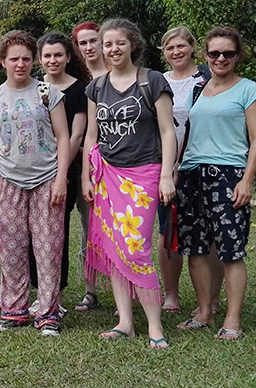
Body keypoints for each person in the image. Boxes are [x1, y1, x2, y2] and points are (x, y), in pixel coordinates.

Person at [81, 18, 174, 349]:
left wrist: (166, 175)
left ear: (133, 44)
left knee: (136, 247)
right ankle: (125, 322)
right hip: (106, 174)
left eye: (119, 43)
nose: (112, 49)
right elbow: (91, 135)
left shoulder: (152, 81)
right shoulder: (96, 87)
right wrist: (85, 176)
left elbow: (167, 131)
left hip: (144, 173)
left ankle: (155, 326)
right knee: (113, 247)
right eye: (107, 44)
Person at [175, 27, 256, 341]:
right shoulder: (198, 89)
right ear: (205, 56)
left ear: (237, 56)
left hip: (228, 175)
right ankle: (204, 312)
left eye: (228, 53)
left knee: (231, 250)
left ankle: (233, 320)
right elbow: (187, 133)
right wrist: (176, 167)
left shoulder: (248, 90)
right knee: (196, 250)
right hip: (191, 174)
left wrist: (246, 180)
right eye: (214, 53)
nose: (221, 58)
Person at [0, 30, 71, 336]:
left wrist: (61, 178)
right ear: (3, 61)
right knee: (12, 249)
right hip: (7, 179)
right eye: (14, 59)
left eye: (26, 59)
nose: (20, 64)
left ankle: (48, 313)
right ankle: (14, 311)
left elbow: (63, 137)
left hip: (47, 179)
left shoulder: (48, 93)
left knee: (48, 249)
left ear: (33, 61)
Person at [157, 26, 221, 314]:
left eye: (181, 46)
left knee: (208, 232)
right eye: (170, 48)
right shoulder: (158, 81)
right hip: (165, 167)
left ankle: (211, 297)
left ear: (193, 47)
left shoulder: (207, 78)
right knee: (168, 230)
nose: (176, 52)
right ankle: (171, 293)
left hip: (203, 163)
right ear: (164, 52)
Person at [28, 32, 89, 315]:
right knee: (32, 235)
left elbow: (75, 135)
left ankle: (56, 297)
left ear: (68, 57)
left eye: (58, 55)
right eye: (47, 56)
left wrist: (60, 171)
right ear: (40, 60)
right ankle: (40, 293)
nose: (53, 60)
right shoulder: (33, 88)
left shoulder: (80, 89)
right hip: (31, 172)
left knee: (55, 235)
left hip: (64, 171)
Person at [71, 20, 106, 311]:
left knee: (113, 230)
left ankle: (124, 288)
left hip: (118, 167)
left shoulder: (119, 76)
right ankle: (90, 290)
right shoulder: (79, 82)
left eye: (93, 41)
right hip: (82, 165)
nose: (89, 47)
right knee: (87, 228)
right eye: (83, 43)